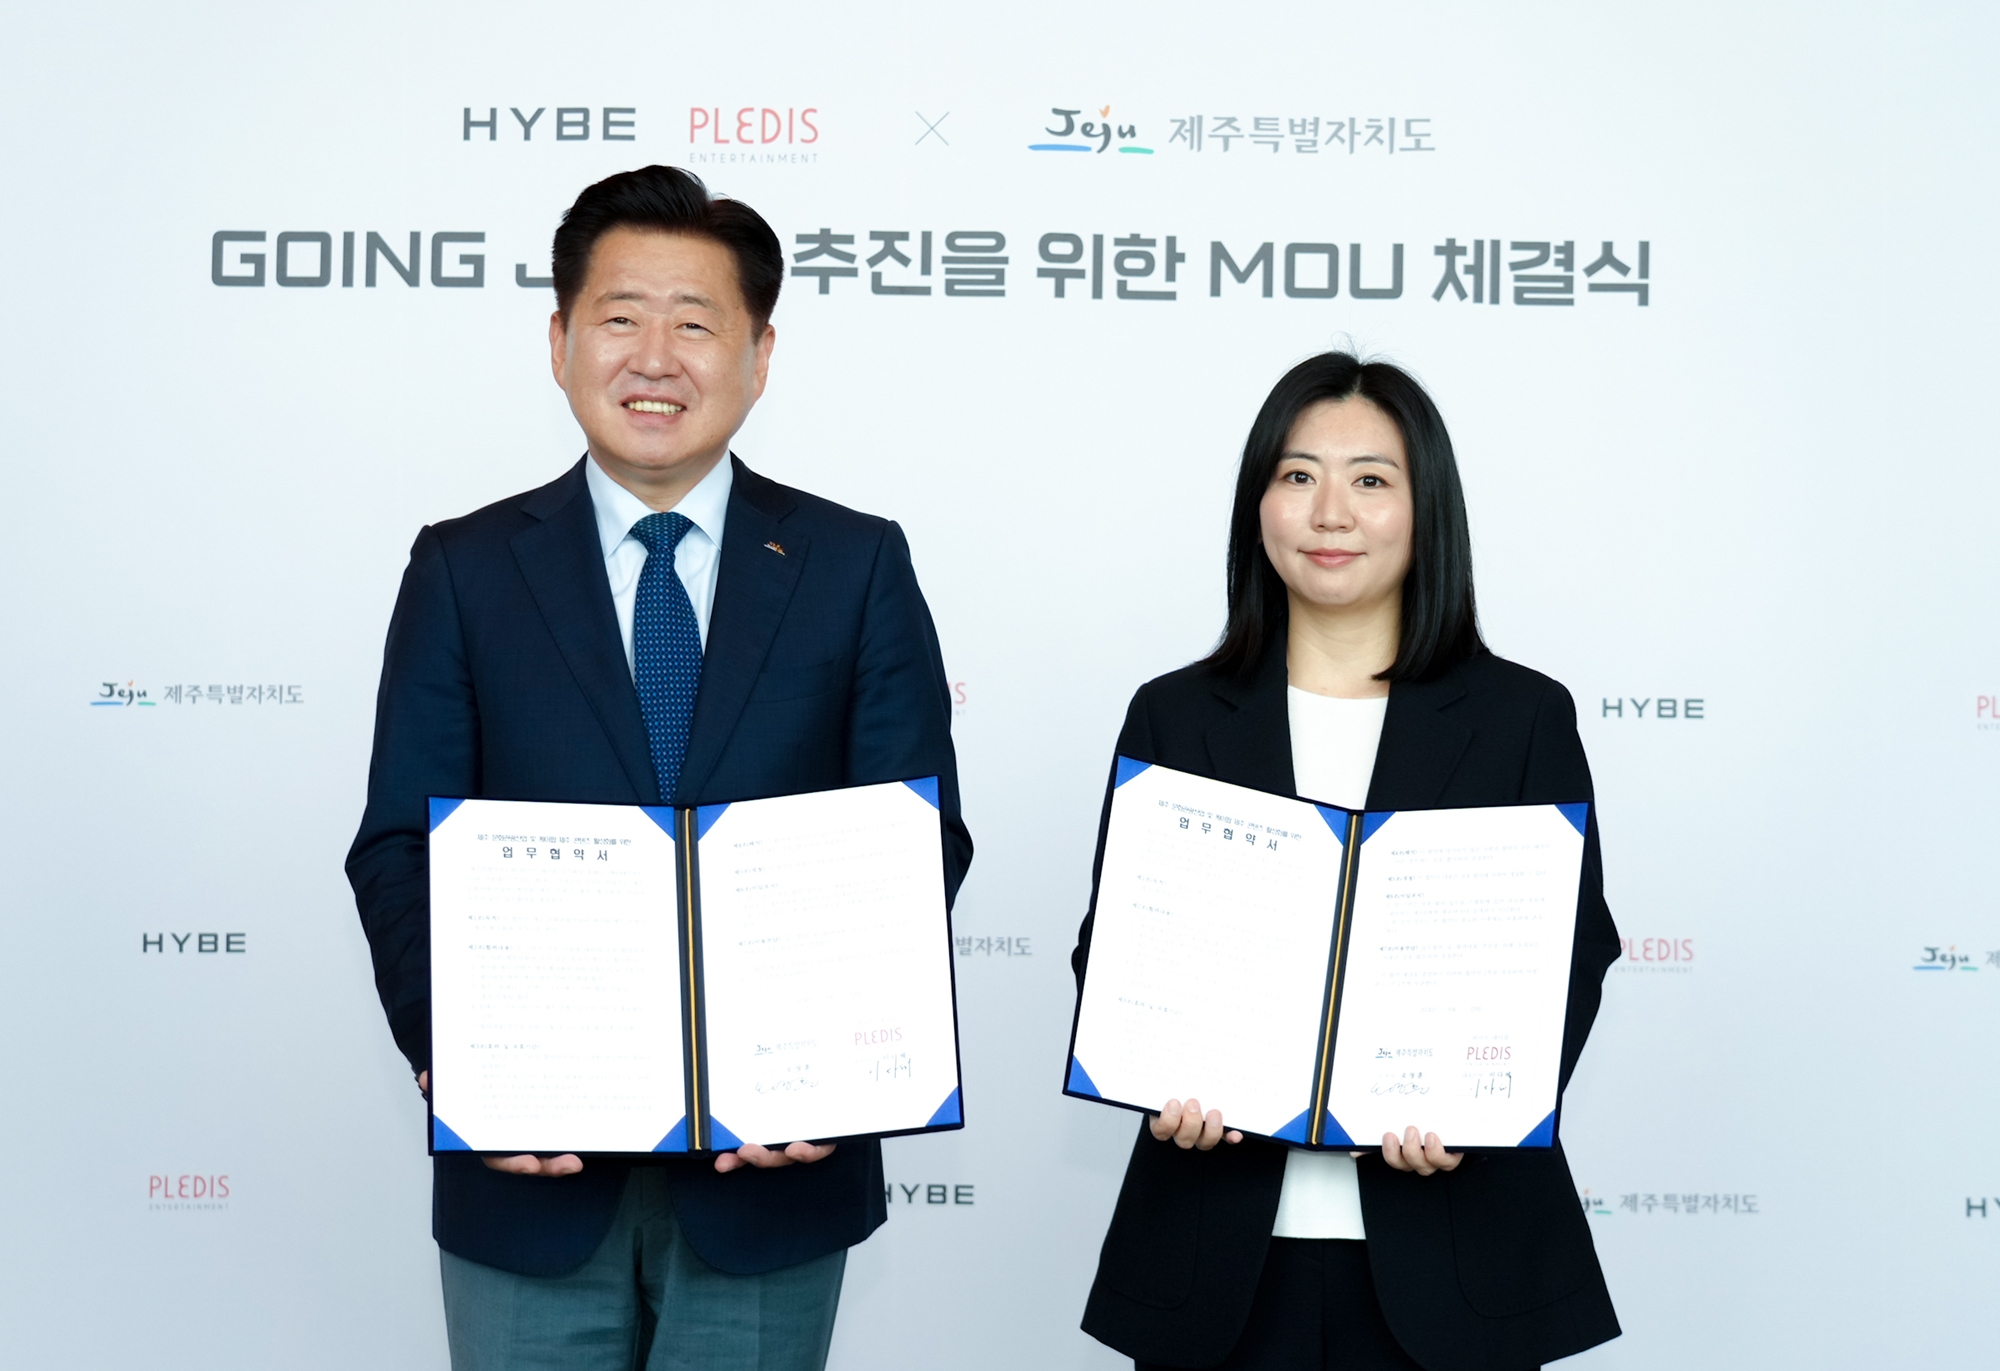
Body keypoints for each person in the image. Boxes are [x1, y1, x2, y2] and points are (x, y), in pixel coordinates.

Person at [346, 165, 972, 1371]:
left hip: (772, 1176)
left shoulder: (854, 564)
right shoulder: (462, 569)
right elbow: (397, 848)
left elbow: (914, 837)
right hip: (528, 1175)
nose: (655, 355)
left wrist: (829, 1070)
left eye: (696, 323)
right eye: (621, 317)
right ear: (559, 340)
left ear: (759, 353)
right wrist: (468, 1060)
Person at [1071, 352, 1621, 1371]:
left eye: (1370, 480)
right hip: (1217, 1260)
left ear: (1426, 512)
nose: (1329, 512)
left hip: (1456, 1259)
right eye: (1295, 475)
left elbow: (1573, 953)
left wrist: (1481, 1111)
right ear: (1257, 505)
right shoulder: (1174, 714)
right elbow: (1115, 948)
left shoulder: (1518, 718)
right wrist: (1159, 1080)